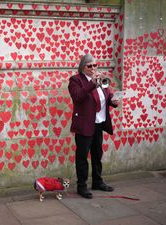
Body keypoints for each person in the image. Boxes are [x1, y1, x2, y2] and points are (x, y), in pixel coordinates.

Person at [68, 54, 118, 199]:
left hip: (99, 123)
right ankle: (81, 186)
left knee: (97, 155)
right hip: (84, 125)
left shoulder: (102, 80)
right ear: (83, 67)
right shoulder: (75, 80)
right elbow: (78, 97)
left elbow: (106, 97)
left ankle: (97, 181)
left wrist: (114, 101)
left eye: (95, 65)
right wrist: (92, 83)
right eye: (90, 66)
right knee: (82, 157)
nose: (93, 68)